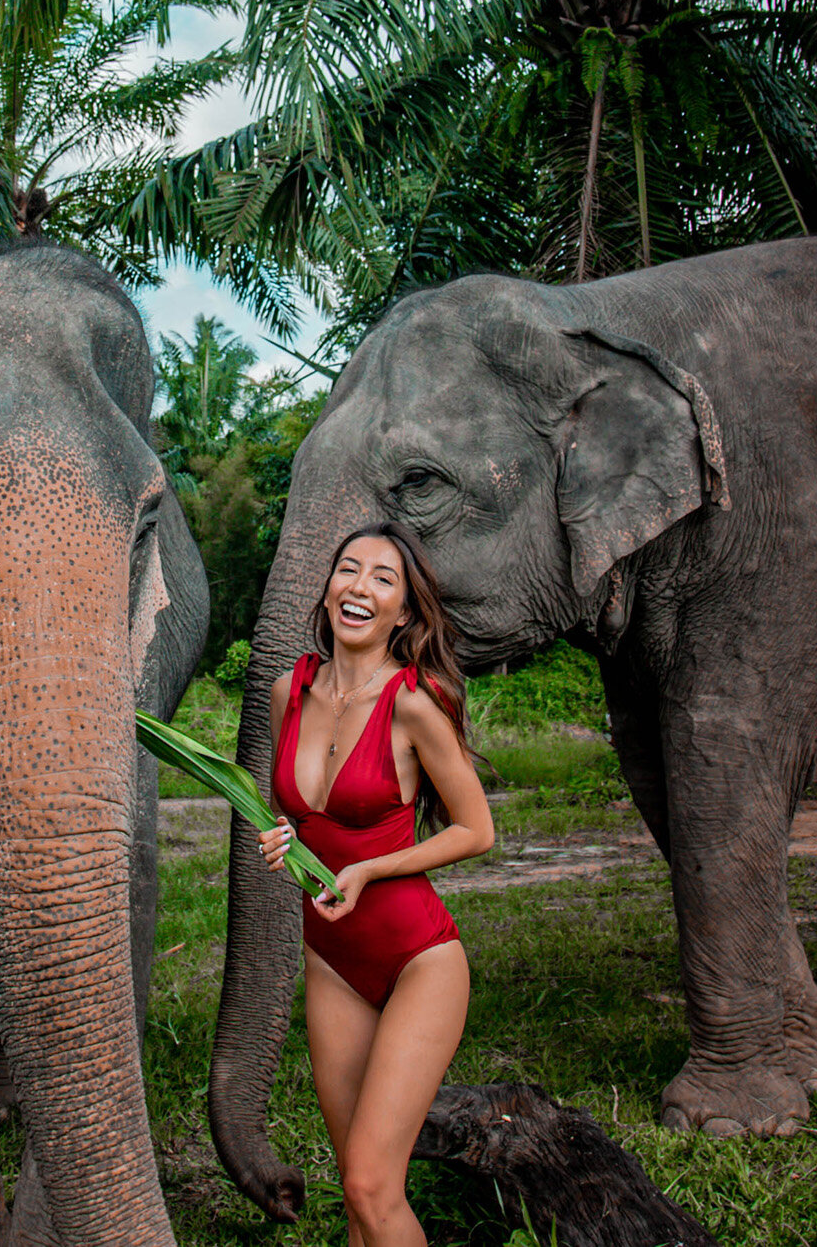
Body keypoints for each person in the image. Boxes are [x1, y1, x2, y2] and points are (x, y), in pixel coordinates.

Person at [258, 522, 495, 1247]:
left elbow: (475, 829)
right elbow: (297, 809)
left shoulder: (415, 702)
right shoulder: (286, 691)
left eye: (383, 579)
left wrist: (369, 867)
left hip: (417, 957)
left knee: (369, 1184)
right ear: (328, 588)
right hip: (333, 961)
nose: (360, 587)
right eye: (348, 570)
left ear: (405, 612)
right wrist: (286, 837)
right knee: (362, 1193)